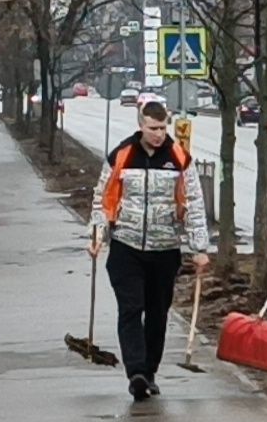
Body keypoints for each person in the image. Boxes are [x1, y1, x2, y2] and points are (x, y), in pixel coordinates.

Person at [88, 102, 211, 402]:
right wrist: (97, 235)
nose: (158, 134)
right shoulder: (122, 155)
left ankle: (150, 371)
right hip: (126, 247)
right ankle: (136, 372)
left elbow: (194, 202)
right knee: (131, 308)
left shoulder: (179, 158)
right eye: (152, 128)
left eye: (162, 128)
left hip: (165, 248)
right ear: (140, 125)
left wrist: (199, 247)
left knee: (157, 313)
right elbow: (103, 198)